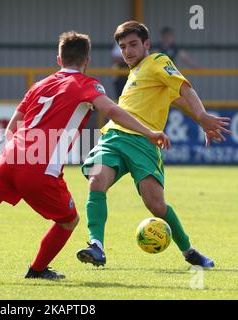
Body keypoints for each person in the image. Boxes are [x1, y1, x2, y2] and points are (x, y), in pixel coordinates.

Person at [0, 31, 170, 281]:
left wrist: (13, 163)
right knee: (68, 220)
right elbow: (113, 112)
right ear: (87, 60)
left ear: (58, 58)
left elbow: (13, 126)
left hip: (8, 159)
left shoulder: (39, 85)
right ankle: (37, 270)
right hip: (39, 167)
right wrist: (149, 132)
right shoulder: (89, 85)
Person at [76, 21, 231, 268]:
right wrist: (199, 119)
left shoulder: (158, 61)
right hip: (114, 137)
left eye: (133, 44)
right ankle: (96, 246)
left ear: (147, 44)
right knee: (96, 180)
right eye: (123, 46)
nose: (128, 51)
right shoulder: (133, 73)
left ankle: (189, 251)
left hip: (144, 143)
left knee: (155, 204)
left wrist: (202, 117)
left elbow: (183, 92)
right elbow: (179, 100)